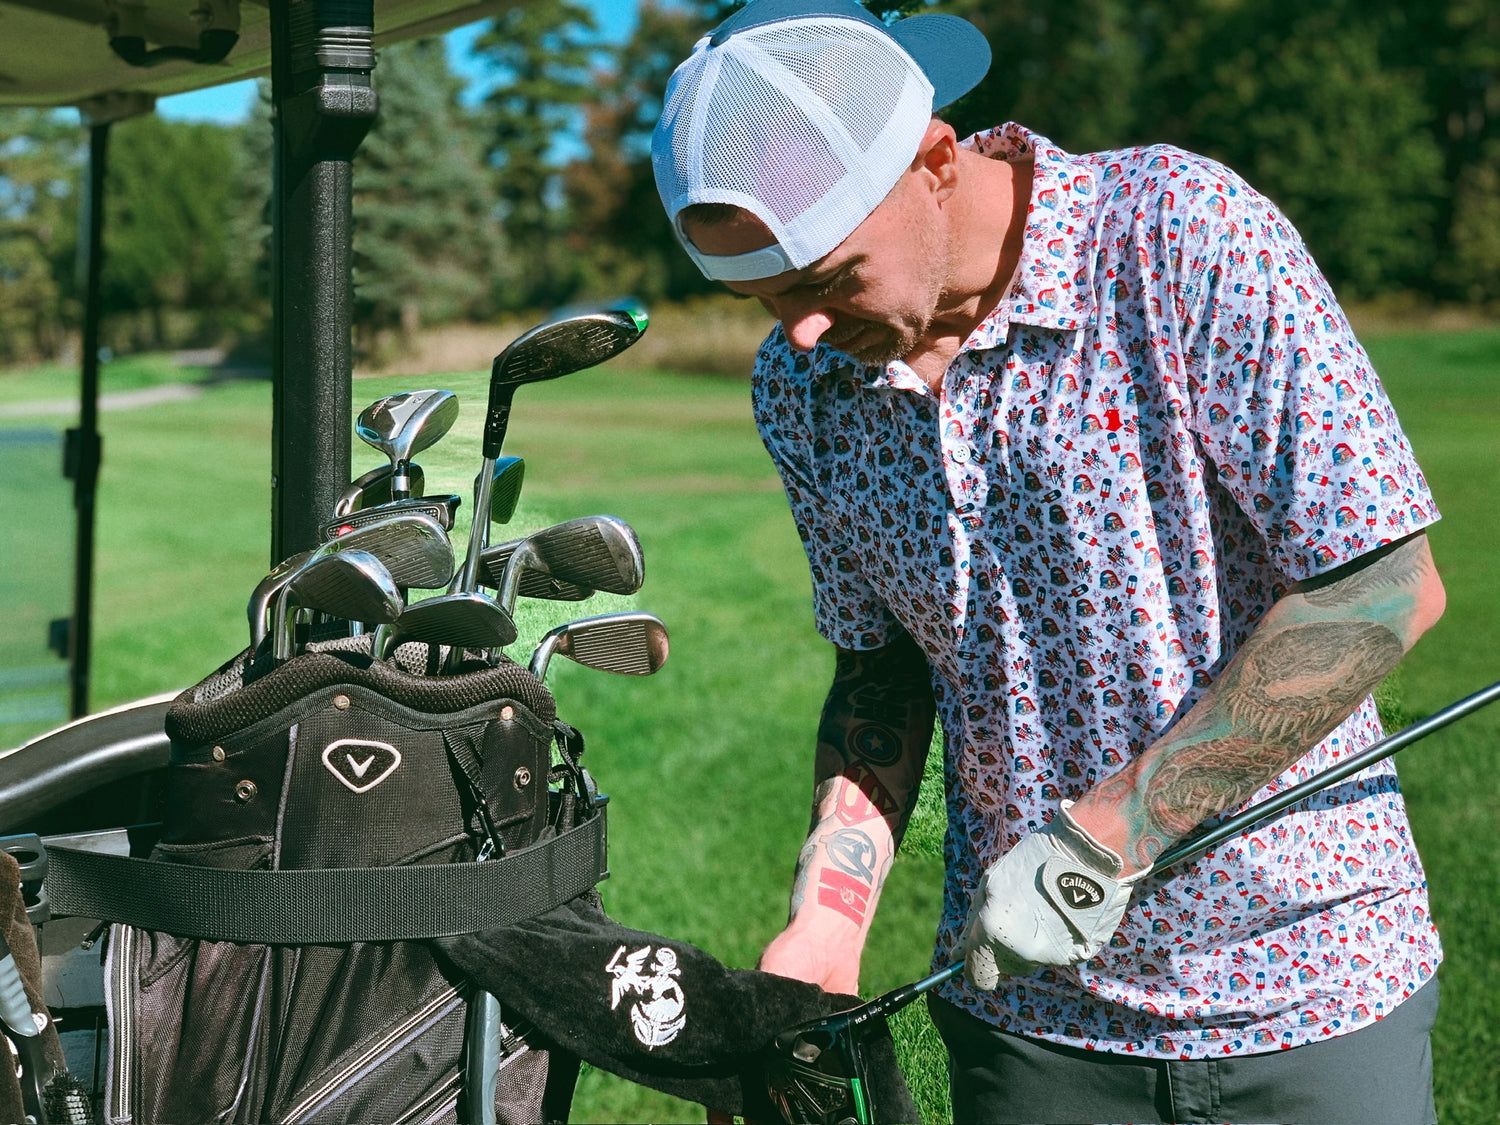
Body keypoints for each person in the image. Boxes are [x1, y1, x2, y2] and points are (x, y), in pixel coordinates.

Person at [651, 1, 1448, 1121]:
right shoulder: (802, 390)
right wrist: (829, 918)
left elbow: (1381, 587)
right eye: (762, 299)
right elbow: (881, 668)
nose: (797, 333)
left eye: (826, 280)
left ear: (936, 161)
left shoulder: (1176, 229)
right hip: (1025, 1015)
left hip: (1306, 988)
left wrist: (1105, 839)